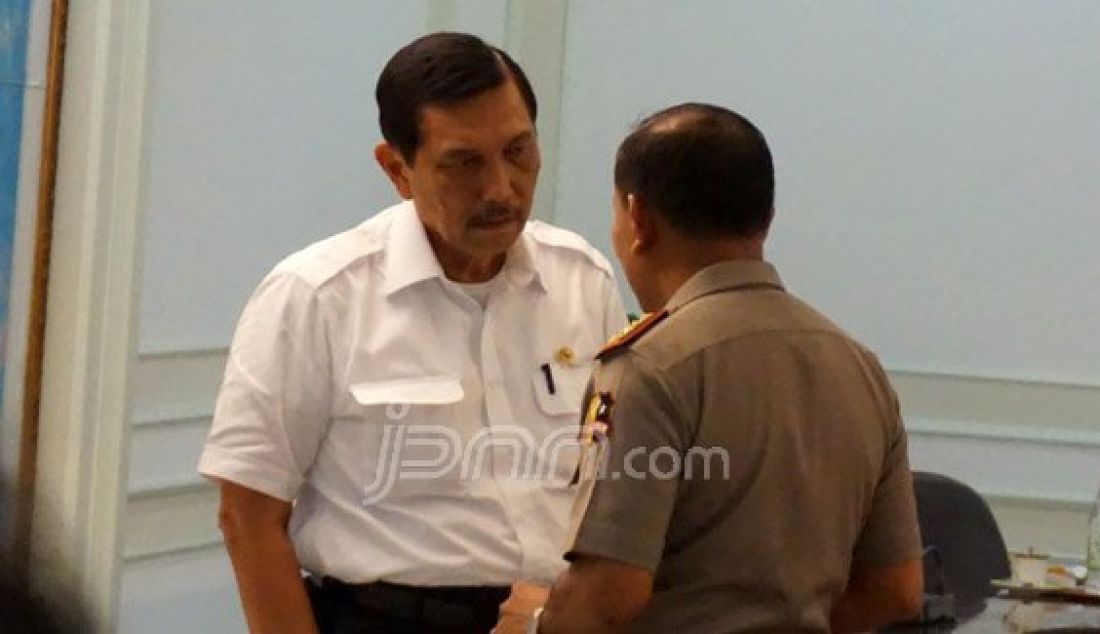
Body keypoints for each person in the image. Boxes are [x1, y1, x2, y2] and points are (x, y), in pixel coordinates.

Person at [198, 32, 626, 633]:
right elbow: (247, 515)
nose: (501, 188)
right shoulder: (317, 296)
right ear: (397, 169)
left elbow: (610, 486)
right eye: (464, 163)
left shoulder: (582, 279)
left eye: (518, 151)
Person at [528, 103, 923, 633]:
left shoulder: (650, 366)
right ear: (766, 216)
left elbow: (609, 595)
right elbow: (897, 590)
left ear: (638, 219)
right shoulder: (858, 366)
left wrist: (531, 624)